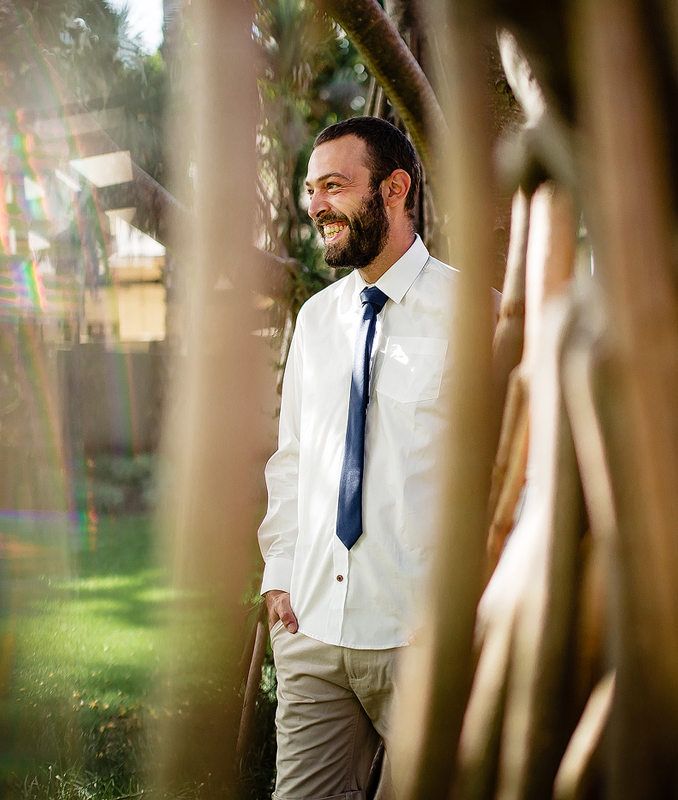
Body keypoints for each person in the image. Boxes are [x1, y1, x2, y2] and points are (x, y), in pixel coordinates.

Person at [257, 116, 457, 800]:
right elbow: (293, 462)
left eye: (334, 186)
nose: (315, 206)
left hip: (421, 641)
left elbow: (515, 478)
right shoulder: (315, 322)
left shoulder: (476, 318)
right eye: (312, 189)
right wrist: (280, 573)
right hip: (311, 631)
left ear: (395, 189)